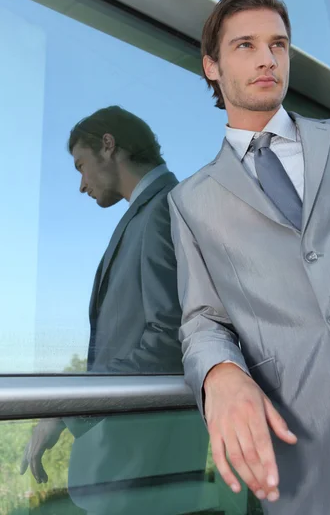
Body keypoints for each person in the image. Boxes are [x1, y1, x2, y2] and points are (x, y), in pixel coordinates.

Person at [168, 0, 330, 515]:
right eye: (245, 45)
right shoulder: (191, 201)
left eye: (278, 44)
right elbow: (202, 318)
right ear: (212, 67)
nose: (268, 57)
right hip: (319, 447)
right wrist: (219, 375)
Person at [21, 107, 200, 511]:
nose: (82, 185)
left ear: (108, 145)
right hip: (135, 468)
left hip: (141, 471)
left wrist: (67, 411)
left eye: (81, 166)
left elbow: (168, 340)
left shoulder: (163, 211)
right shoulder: (153, 211)